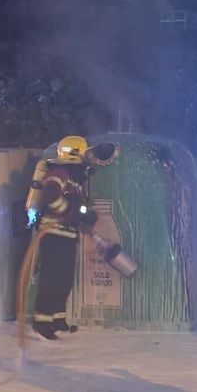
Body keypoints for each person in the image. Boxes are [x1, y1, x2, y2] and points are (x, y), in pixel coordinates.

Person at [24, 136, 117, 340]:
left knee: (64, 280)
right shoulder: (59, 172)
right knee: (52, 280)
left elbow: (76, 206)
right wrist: (67, 211)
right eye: (84, 153)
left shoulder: (75, 178)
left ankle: (58, 319)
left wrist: (85, 216)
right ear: (74, 154)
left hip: (67, 235)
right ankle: (42, 322)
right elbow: (50, 195)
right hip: (54, 235)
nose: (88, 157)